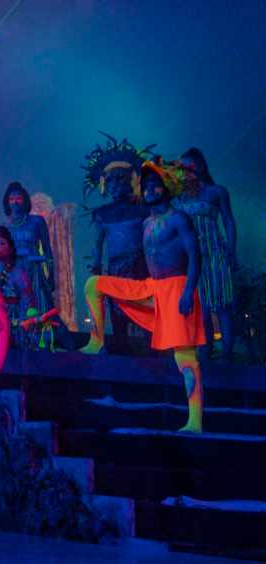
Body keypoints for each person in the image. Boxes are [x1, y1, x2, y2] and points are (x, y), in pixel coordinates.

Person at [82, 160, 205, 433]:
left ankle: (195, 420)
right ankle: (96, 340)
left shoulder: (177, 218)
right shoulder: (147, 220)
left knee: (185, 358)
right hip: (151, 288)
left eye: (155, 185)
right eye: (146, 186)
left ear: (166, 188)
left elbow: (196, 257)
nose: (149, 190)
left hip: (176, 290)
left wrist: (187, 293)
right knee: (94, 284)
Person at [83, 136, 151, 353]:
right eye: (110, 180)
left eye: (121, 179)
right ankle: (122, 356)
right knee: (118, 316)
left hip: (140, 266)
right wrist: (95, 266)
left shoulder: (143, 209)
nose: (116, 185)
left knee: (147, 314)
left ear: (131, 181)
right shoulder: (103, 214)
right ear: (104, 184)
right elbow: (98, 244)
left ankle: (155, 357)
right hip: (115, 268)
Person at [175, 147, 238, 362]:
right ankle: (205, 355)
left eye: (189, 166)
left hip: (215, 255)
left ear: (200, 166)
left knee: (222, 306)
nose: (185, 171)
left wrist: (232, 250)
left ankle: (226, 357)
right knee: (200, 309)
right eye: (181, 167)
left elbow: (228, 221)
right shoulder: (179, 197)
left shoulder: (216, 191)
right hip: (192, 260)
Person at [3, 182, 56, 316]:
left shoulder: (37, 221)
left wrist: (51, 276)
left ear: (25, 200)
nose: (15, 202)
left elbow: (47, 250)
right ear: (7, 202)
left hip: (35, 274)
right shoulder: (5, 226)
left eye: (18, 198)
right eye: (11, 199)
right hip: (13, 276)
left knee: (41, 313)